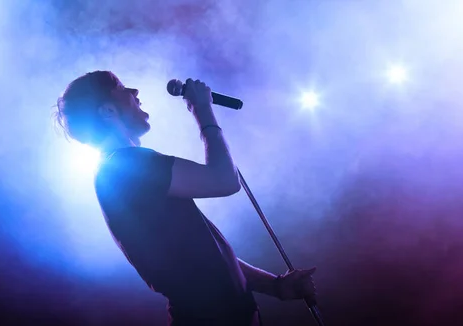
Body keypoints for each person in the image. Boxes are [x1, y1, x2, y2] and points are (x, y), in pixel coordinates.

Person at [55, 71, 317, 325]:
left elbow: (204, 257)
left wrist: (275, 286)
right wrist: (202, 110)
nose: (135, 92)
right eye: (123, 88)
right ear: (108, 111)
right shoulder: (127, 165)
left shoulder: (120, 169)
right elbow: (225, 180)